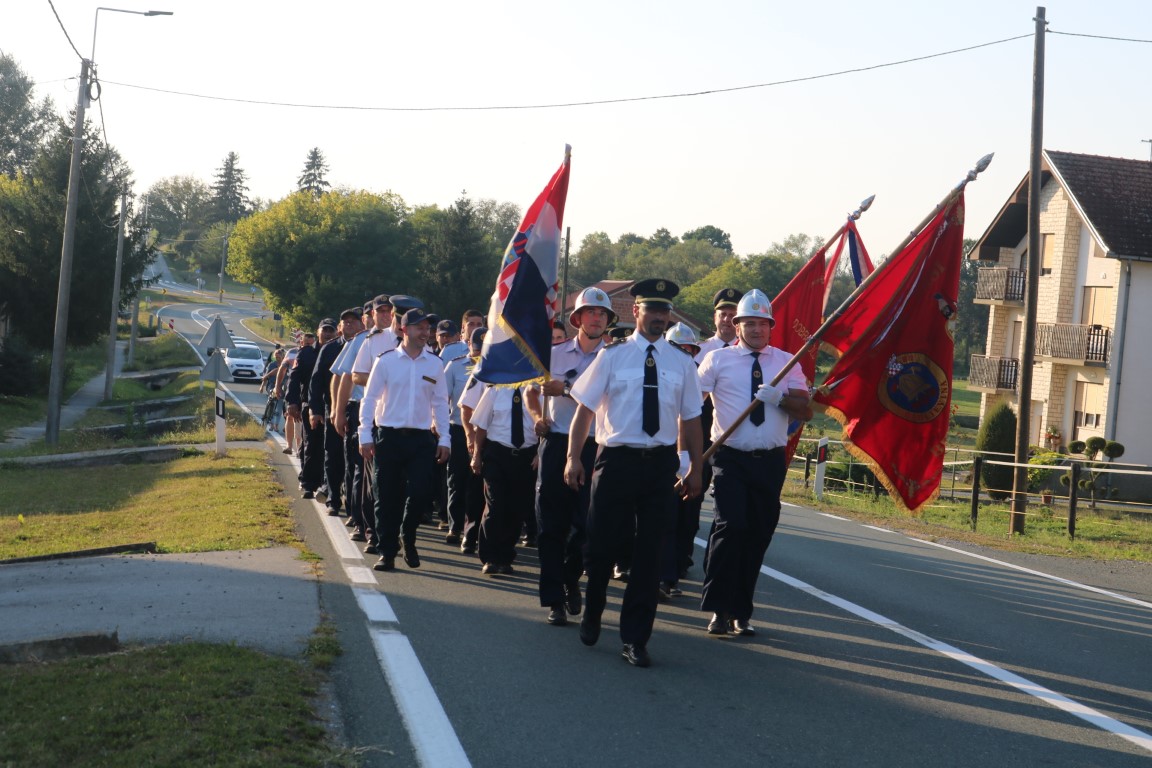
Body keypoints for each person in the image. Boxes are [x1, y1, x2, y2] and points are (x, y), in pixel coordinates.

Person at [564, 279, 703, 668]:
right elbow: (584, 411)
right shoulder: (612, 356)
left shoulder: (682, 362)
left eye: (664, 311)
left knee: (650, 555)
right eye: (651, 310)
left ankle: (635, 638)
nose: (658, 317)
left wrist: (695, 468)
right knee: (603, 544)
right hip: (616, 460)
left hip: (660, 464)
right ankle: (593, 611)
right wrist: (573, 458)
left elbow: (691, 419)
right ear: (636, 312)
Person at [697, 289, 811, 637]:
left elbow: (805, 410)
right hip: (729, 457)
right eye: (750, 323)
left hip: (769, 461)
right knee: (732, 526)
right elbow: (690, 404)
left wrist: (780, 398)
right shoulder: (717, 360)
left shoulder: (787, 361)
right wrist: (683, 454)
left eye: (763, 323)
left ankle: (740, 612)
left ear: (771, 326)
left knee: (757, 533)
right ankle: (718, 608)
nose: (757, 330)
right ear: (737, 324)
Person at [526, 287, 612, 626]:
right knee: (550, 524)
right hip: (557, 440)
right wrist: (537, 418)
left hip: (596, 446)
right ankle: (553, 599)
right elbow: (532, 392)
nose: (596, 319)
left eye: (602, 314)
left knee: (587, 525)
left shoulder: (615, 356)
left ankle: (570, 577)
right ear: (577, 319)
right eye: (590, 313)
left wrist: (566, 389)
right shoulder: (553, 354)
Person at [358, 308, 450, 571]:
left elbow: (440, 403)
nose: (426, 333)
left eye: (427, 328)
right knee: (386, 496)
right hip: (388, 436)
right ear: (404, 330)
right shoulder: (386, 361)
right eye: (420, 328)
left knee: (421, 493)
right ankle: (387, 551)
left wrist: (445, 439)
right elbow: (370, 400)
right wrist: (365, 434)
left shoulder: (434, 363)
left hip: (421, 439)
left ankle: (407, 534)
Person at [469, 380, 537, 576]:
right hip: (497, 454)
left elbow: (546, 424)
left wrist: (540, 453)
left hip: (526, 456)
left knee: (516, 508)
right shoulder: (494, 390)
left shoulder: (538, 391)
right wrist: (477, 455)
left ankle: (506, 557)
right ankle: (490, 557)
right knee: (495, 505)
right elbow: (481, 425)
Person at [660, 322, 702, 599]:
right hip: (663, 457)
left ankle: (675, 571)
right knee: (663, 520)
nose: (683, 353)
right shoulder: (657, 372)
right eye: (677, 348)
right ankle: (664, 576)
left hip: (694, 459)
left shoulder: (696, 377)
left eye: (688, 349)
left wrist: (692, 461)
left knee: (688, 521)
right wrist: (679, 455)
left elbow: (692, 420)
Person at [309, 308, 363, 515]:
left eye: (353, 321)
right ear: (340, 327)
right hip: (332, 409)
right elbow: (317, 380)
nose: (349, 325)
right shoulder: (331, 348)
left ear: (361, 325)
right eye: (345, 322)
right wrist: (315, 410)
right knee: (332, 454)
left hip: (356, 410)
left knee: (353, 459)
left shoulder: (365, 346)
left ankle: (353, 504)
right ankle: (333, 499)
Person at [331, 301, 376, 544]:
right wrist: (338, 412)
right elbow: (343, 377)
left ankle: (384, 525)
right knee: (359, 468)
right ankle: (361, 521)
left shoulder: (401, 341)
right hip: (360, 409)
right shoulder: (360, 341)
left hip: (389, 415)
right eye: (377, 313)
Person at [443, 327, 486, 548]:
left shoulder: (493, 369)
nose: (478, 353)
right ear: (468, 344)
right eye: (475, 348)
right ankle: (455, 526)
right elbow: (442, 398)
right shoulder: (455, 366)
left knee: (476, 484)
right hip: (459, 429)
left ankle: (473, 531)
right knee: (456, 480)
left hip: (485, 432)